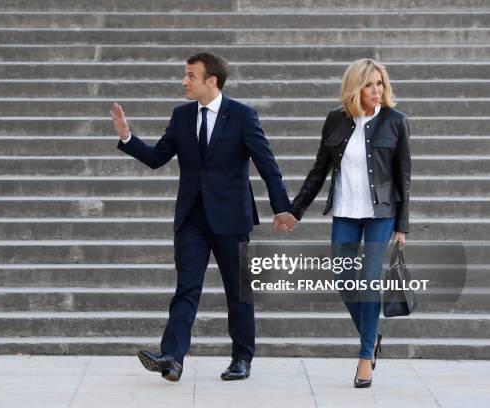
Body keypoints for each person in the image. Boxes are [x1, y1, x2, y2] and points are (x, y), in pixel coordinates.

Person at [111, 52, 297, 382]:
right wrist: (127, 137)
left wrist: (282, 208)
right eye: (185, 75)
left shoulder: (242, 115)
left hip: (231, 218)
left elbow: (268, 167)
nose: (184, 81)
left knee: (238, 291)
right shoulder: (182, 116)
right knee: (186, 288)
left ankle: (242, 358)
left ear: (211, 81)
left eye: (191, 76)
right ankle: (172, 357)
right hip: (192, 219)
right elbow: (157, 158)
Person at [289, 58, 411, 388]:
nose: (376, 90)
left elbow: (404, 176)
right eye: (369, 84)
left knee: (369, 281)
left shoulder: (395, 121)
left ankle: (363, 356)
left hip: (380, 216)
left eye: (380, 83)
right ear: (355, 87)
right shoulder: (335, 121)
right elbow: (318, 171)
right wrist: (295, 209)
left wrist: (402, 225)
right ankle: (372, 338)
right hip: (345, 212)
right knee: (344, 281)